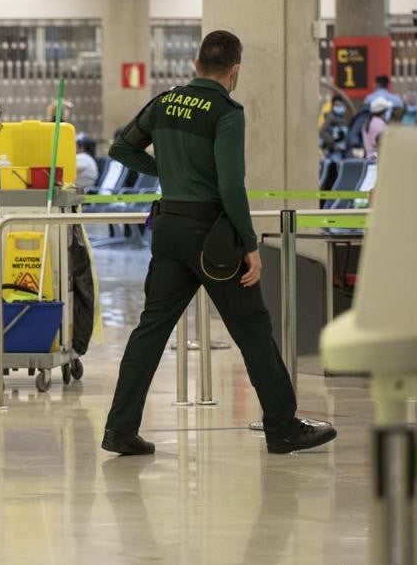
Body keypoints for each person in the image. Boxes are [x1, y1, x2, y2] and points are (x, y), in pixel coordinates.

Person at [101, 30, 336, 456]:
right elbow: (231, 183)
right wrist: (249, 245)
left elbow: (121, 147)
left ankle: (120, 429)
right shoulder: (227, 112)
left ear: (195, 66)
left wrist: (167, 172)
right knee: (253, 330)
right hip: (212, 237)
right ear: (234, 71)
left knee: (150, 332)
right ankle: (283, 428)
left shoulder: (165, 102)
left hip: (169, 229)